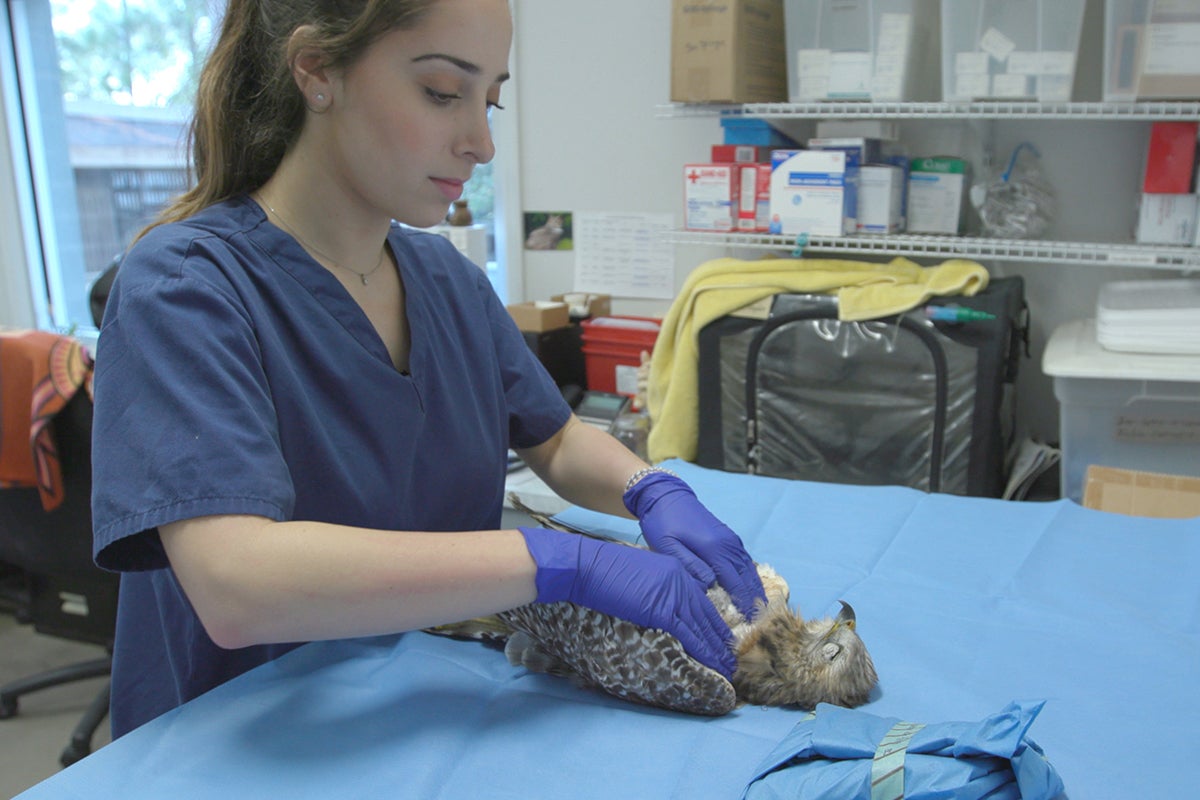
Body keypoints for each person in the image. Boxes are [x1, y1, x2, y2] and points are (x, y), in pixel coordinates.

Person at [90, 0, 765, 739]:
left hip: (419, 713)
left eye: (492, 99)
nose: (481, 142)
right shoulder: (186, 287)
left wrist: (650, 489)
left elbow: (559, 441)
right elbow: (236, 584)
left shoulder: (446, 282)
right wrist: (558, 561)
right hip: (245, 738)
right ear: (317, 71)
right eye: (444, 92)